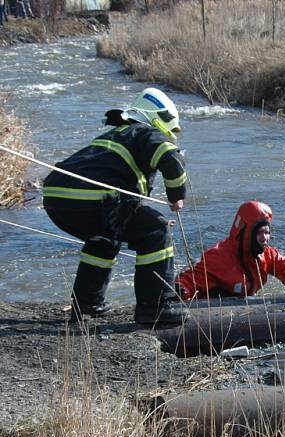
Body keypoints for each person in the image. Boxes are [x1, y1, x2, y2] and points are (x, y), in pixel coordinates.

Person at [43, 87, 188, 325]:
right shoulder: (145, 132)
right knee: (157, 230)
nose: (171, 136)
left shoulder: (116, 134)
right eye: (170, 131)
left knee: (105, 237)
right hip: (89, 196)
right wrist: (176, 196)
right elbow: (172, 159)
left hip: (56, 196)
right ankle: (154, 309)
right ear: (158, 120)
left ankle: (88, 303)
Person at [177, 200, 285, 300]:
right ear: (244, 232)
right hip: (214, 310)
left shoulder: (268, 255)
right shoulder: (218, 257)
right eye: (259, 233)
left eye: (267, 232)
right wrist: (180, 290)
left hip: (244, 304)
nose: (265, 238)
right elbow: (192, 279)